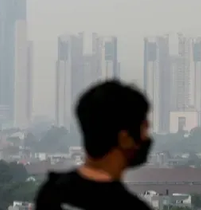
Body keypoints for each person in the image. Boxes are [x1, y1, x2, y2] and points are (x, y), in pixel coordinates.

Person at [35, 80, 153, 210]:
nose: (147, 138)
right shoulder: (131, 207)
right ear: (125, 139)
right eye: (144, 129)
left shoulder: (50, 194)